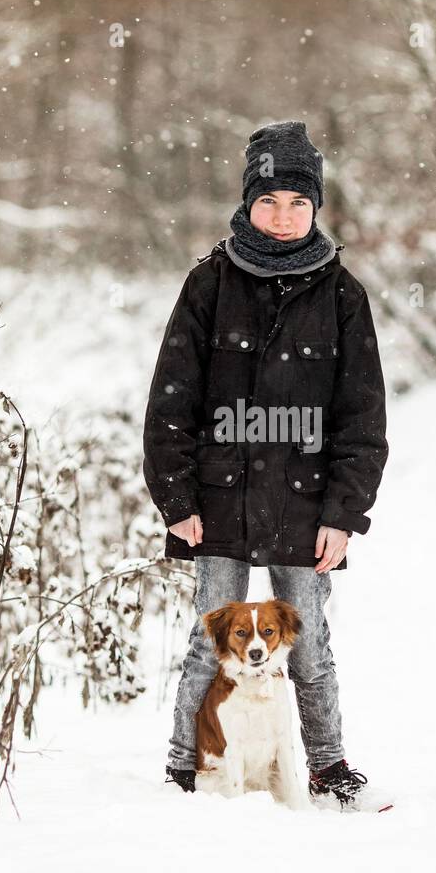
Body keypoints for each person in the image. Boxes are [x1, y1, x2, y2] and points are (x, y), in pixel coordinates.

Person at [142, 120, 389, 810]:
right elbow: (170, 403)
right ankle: (183, 768)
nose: (283, 216)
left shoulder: (342, 295)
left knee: (309, 649)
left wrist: (344, 516)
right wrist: (177, 499)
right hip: (215, 503)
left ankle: (329, 768)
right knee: (207, 644)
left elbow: (362, 420)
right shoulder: (207, 284)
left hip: (305, 506)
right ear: (248, 202)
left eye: (297, 203)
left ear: (316, 208)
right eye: (270, 201)